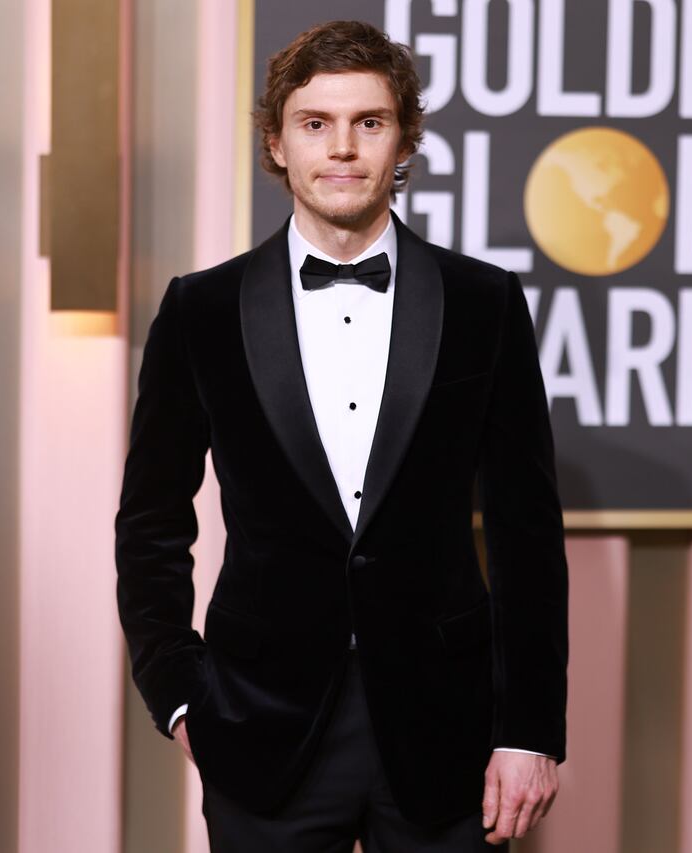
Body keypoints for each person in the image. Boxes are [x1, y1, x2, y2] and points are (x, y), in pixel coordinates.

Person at [114, 19, 568, 852]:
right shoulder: (200, 311)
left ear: (403, 140)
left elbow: (527, 533)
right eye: (315, 123)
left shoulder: (485, 305)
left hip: (447, 732)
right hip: (260, 725)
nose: (343, 149)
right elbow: (150, 523)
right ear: (279, 143)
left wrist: (528, 730)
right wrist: (179, 693)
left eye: (369, 122)